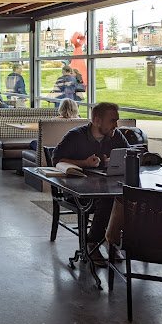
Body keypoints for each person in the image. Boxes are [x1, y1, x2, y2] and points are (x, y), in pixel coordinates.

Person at [52, 102, 129, 265]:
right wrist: (85, 163)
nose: (116, 125)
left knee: (125, 198)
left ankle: (110, 240)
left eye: (117, 120)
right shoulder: (75, 136)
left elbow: (129, 154)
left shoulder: (116, 135)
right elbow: (56, 159)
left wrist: (114, 162)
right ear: (97, 120)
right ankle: (92, 243)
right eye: (112, 120)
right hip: (76, 189)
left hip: (107, 186)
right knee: (109, 200)